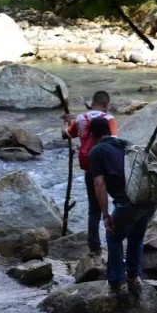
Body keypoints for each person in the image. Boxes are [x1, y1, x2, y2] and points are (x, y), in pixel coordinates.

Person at [87, 116, 157, 295]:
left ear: (93, 135)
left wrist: (105, 215)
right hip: (149, 200)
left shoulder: (96, 152)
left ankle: (118, 282)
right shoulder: (127, 143)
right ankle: (134, 277)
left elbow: (99, 185)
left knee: (113, 237)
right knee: (136, 238)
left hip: (129, 203)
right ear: (110, 132)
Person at [63, 91, 118, 253]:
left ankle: (94, 246)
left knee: (94, 208)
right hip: (109, 168)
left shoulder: (80, 119)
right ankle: (117, 237)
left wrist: (67, 122)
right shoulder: (109, 119)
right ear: (106, 104)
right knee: (119, 202)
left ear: (91, 103)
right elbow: (113, 142)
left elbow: (65, 135)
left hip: (90, 168)